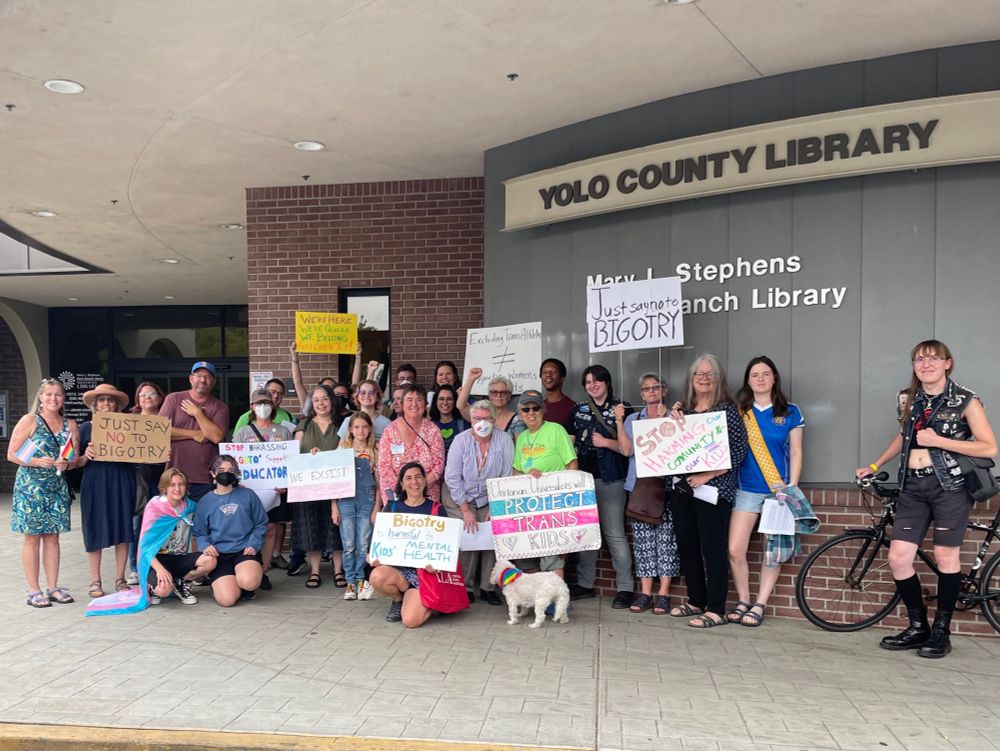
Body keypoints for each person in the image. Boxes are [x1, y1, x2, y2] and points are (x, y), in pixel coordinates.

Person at [857, 340, 997, 658]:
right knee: (898, 558)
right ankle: (918, 626)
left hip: (950, 487)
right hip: (913, 488)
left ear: (948, 363)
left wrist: (940, 440)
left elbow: (988, 447)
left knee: (946, 557)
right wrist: (876, 464)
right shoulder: (908, 399)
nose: (926, 364)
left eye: (934, 358)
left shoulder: (966, 400)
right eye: (919, 359)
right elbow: (903, 436)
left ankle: (941, 632)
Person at [668, 354, 748, 628]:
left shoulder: (727, 411)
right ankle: (695, 600)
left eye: (709, 374)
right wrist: (670, 421)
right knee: (687, 547)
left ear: (718, 379)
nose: (703, 378)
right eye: (698, 374)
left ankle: (716, 609)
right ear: (691, 379)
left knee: (712, 549)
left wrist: (708, 474)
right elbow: (669, 447)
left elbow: (738, 451)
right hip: (682, 490)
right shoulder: (683, 413)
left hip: (714, 491)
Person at [727, 357, 804, 627]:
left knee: (773, 552)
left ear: (774, 378)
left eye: (766, 373)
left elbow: (795, 451)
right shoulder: (738, 411)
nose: (760, 378)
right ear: (748, 380)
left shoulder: (791, 411)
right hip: (745, 488)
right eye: (755, 374)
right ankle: (743, 600)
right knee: (736, 549)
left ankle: (760, 604)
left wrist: (790, 486)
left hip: (778, 490)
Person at [7, 378, 80, 608]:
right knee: (32, 538)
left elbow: (75, 459)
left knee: (53, 538)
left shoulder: (70, 424)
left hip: (56, 486)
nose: (53, 399)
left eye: (57, 394)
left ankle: (53, 586)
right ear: (40, 397)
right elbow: (12, 453)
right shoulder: (30, 421)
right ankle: (33, 589)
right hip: (31, 488)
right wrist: (38, 461)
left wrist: (65, 464)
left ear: (63, 398)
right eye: (48, 394)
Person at [571, 365, 634, 609]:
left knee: (615, 534)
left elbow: (628, 449)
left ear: (607, 382)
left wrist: (606, 442)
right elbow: (570, 443)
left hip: (612, 479)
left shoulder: (622, 407)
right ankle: (586, 584)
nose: (592, 385)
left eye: (597, 381)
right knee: (586, 534)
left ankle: (625, 588)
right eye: (588, 382)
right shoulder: (578, 409)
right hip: (584, 481)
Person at [616, 374, 679, 615]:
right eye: (646, 389)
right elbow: (625, 450)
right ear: (641, 395)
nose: (651, 392)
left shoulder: (672, 416)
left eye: (656, 388)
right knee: (642, 543)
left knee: (666, 542)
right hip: (639, 488)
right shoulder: (634, 418)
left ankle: (663, 594)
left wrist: (665, 418)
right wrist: (620, 422)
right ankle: (645, 593)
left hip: (664, 488)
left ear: (664, 390)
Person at [444, 399, 513, 605]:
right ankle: (466, 586)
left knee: (492, 536)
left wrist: (496, 505)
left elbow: (507, 474)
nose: (481, 422)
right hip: (460, 495)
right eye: (476, 418)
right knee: (470, 534)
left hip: (490, 495)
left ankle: (488, 587)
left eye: (486, 418)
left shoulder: (504, 440)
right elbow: (453, 477)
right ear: (470, 420)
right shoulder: (460, 440)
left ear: (493, 418)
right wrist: (465, 509)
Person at [369, 462, 448, 626]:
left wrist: (438, 564)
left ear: (425, 481)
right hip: (399, 571)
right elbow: (380, 538)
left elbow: (446, 546)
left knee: (410, 622)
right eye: (409, 478)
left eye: (419, 477)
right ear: (402, 484)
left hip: (425, 575)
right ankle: (398, 600)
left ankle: (430, 604)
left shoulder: (436, 509)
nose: (414, 482)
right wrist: (374, 555)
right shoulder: (392, 508)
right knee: (377, 576)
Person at [78, 383, 137, 599]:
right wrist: (86, 454)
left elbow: (140, 455)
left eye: (110, 400)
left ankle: (120, 578)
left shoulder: (130, 426)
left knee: (123, 530)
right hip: (95, 482)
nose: (106, 404)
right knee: (94, 529)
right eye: (101, 400)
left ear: (117, 405)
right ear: (95, 405)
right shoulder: (85, 428)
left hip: (122, 480)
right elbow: (75, 462)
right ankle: (95, 580)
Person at [512, 389, 578, 579]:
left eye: (536, 408)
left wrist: (568, 498)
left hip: (552, 504)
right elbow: (517, 469)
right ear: (520, 413)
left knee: (551, 554)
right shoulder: (522, 437)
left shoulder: (556, 430)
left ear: (543, 410)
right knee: (527, 555)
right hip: (528, 505)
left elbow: (572, 464)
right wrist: (524, 479)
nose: (531, 413)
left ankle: (557, 601)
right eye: (526, 409)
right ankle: (540, 596)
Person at [232, 388, 294, 591]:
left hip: (274, 491)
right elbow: (234, 460)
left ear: (273, 405)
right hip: (249, 490)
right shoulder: (243, 432)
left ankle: (264, 571)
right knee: (247, 529)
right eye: (259, 404)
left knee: (270, 529)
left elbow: (291, 461)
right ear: (252, 407)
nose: (263, 407)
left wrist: (286, 483)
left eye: (266, 403)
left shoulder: (284, 431)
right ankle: (246, 568)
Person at [194, 455, 268, 606]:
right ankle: (224, 584)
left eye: (230, 470)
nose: (226, 473)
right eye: (221, 470)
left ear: (236, 473)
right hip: (219, 554)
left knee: (248, 582)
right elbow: (200, 532)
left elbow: (261, 523)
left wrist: (254, 544)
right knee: (227, 601)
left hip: (244, 550)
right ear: (213, 474)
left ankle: (245, 584)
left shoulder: (248, 495)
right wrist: (205, 546)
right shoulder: (204, 502)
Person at [293, 384, 344, 588]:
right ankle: (314, 571)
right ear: (311, 404)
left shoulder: (342, 423)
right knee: (311, 527)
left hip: (337, 485)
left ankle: (338, 570)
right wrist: (309, 457)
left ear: (331, 400)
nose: (321, 403)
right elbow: (294, 454)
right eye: (316, 400)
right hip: (309, 487)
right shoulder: (304, 425)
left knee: (336, 528)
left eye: (324, 398)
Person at [145, 468, 216, 605]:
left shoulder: (190, 506)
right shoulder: (154, 508)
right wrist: (160, 570)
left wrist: (235, 489)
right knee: (164, 591)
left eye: (181, 484)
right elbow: (145, 547)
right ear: (164, 488)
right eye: (172, 485)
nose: (177, 489)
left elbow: (212, 506)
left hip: (179, 557)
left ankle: (180, 582)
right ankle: (156, 587)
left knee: (210, 561)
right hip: (157, 559)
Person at [159, 361, 229, 501]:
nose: (203, 380)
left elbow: (216, 437)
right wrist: (193, 434)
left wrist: (197, 413)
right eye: (199, 375)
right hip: (174, 477)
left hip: (204, 478)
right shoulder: (173, 399)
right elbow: (159, 432)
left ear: (213, 381)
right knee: (174, 520)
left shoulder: (220, 407)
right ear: (191, 378)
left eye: (208, 377)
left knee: (201, 521)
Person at [332, 412, 379, 601]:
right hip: (345, 501)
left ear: (370, 429)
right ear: (350, 429)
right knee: (349, 544)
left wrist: (377, 507)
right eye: (357, 427)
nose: (361, 430)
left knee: (363, 543)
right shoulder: (343, 449)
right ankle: (350, 582)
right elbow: (333, 481)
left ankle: (360, 579)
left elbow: (380, 483)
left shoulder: (375, 450)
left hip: (367, 500)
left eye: (365, 427)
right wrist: (333, 507)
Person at [377, 384, 446, 505]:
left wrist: (419, 488)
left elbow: (439, 465)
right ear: (402, 404)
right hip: (396, 494)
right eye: (409, 400)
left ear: (425, 405)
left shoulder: (433, 430)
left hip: (427, 494)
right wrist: (404, 489)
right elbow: (384, 466)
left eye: (419, 400)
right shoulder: (389, 430)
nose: (414, 404)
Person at [127, 380, 167, 585]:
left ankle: (157, 563)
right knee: (136, 524)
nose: (147, 397)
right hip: (138, 479)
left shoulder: (167, 420)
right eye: (142, 395)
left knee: (158, 523)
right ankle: (134, 567)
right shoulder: (129, 421)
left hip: (161, 478)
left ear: (160, 397)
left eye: (151, 393)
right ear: (137, 400)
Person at [290, 341, 365, 415]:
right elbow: (298, 383)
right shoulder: (312, 406)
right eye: (326, 387)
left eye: (332, 388)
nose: (330, 390)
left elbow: (355, 384)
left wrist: (358, 357)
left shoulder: (346, 407)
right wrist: (294, 356)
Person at [457, 371, 522, 435]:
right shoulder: (479, 414)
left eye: (503, 392)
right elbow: (461, 406)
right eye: (494, 392)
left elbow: (519, 445)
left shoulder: (517, 421)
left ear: (509, 395)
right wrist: (471, 379)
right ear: (489, 395)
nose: (498, 395)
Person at [336, 379, 391, 444]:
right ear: (357, 396)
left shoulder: (387, 424)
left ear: (377, 397)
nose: (367, 396)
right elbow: (341, 448)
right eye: (363, 393)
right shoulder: (348, 421)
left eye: (371, 393)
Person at [430, 384, 469, 460]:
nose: (445, 402)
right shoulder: (430, 425)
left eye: (449, 399)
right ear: (436, 401)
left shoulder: (464, 424)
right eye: (441, 399)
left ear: (455, 401)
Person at [540, 358, 576, 431]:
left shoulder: (572, 407)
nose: (548, 375)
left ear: (562, 378)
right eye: (545, 372)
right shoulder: (537, 408)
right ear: (541, 377)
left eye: (553, 372)